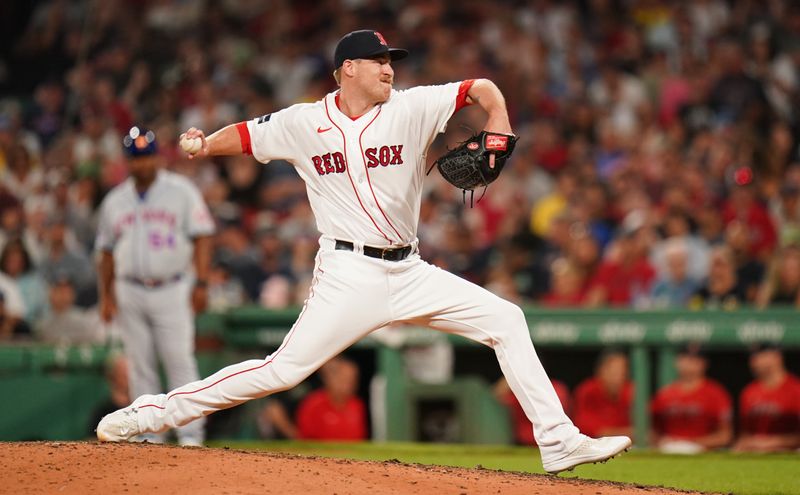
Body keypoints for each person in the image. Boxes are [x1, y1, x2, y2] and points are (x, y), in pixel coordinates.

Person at [97, 30, 631, 473]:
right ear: (347, 68)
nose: (388, 68)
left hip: (411, 269)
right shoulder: (304, 122)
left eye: (390, 60)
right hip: (348, 273)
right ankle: (150, 413)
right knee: (281, 371)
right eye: (377, 60)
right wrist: (204, 144)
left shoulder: (413, 107)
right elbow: (246, 134)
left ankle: (558, 441)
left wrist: (499, 121)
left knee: (507, 319)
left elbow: (483, 88)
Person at [95, 126, 215, 446]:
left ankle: (191, 436)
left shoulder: (181, 191)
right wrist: (106, 296)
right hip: (129, 288)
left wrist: (201, 282)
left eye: (146, 157)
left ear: (156, 158)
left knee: (179, 362)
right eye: (135, 159)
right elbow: (105, 253)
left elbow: (203, 235)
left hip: (172, 287)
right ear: (127, 162)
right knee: (140, 367)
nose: (142, 164)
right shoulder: (114, 201)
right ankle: (148, 437)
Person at [650, 344, 733, 453]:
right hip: (669, 449)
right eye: (684, 358)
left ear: (704, 363)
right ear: (677, 361)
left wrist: (692, 442)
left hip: (703, 451)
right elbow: (652, 432)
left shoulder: (716, 393)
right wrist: (662, 441)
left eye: (694, 359)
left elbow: (725, 436)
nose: (688, 363)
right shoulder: (665, 394)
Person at [732, 344, 800, 453]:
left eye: (760, 356)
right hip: (756, 454)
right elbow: (745, 433)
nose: (754, 362)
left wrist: (773, 442)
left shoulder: (796, 389)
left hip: (791, 454)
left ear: (777, 357)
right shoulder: (749, 391)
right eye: (753, 358)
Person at [296, 356, 367, 441]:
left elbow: (359, 438)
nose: (350, 385)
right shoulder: (313, 404)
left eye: (353, 380)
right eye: (344, 380)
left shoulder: (357, 404)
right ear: (330, 379)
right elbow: (305, 439)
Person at [573, 350, 634, 439]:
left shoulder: (630, 392)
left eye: (622, 374)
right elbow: (587, 431)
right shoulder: (588, 391)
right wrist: (628, 432)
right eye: (614, 373)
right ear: (601, 371)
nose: (618, 379)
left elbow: (648, 432)